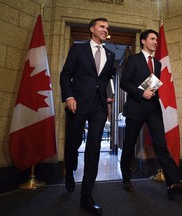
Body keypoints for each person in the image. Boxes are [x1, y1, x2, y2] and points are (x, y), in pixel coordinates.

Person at [119, 29, 182, 200]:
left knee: (161, 146)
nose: (155, 42)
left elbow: (153, 85)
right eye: (152, 39)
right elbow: (124, 83)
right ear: (143, 41)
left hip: (153, 110)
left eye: (156, 39)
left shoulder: (158, 64)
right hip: (135, 108)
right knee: (129, 144)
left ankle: (173, 184)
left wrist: (150, 92)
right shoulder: (133, 59)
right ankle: (126, 179)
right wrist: (141, 93)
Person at [60, 18, 115, 215]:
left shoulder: (109, 54)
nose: (105, 30)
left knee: (94, 148)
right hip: (78, 103)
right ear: (92, 29)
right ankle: (69, 173)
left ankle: (86, 197)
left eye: (107, 28)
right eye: (102, 26)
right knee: (72, 144)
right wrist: (69, 96)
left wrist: (107, 97)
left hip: (99, 107)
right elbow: (65, 74)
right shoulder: (78, 50)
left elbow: (104, 79)